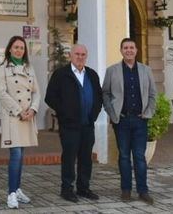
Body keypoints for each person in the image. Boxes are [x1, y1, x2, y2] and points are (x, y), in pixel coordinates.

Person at [45, 44, 102, 203]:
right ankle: (67, 189)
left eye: (83, 54)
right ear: (71, 55)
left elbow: (98, 97)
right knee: (69, 158)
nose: (80, 57)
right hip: (69, 126)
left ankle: (83, 188)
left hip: (87, 125)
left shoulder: (92, 74)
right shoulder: (61, 74)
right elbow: (50, 97)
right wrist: (64, 113)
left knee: (86, 158)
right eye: (77, 54)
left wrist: (94, 114)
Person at [102, 38, 157, 204]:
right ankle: (125, 190)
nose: (129, 50)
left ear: (136, 50)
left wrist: (148, 113)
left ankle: (143, 190)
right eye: (125, 48)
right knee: (124, 156)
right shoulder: (112, 70)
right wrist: (112, 114)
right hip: (122, 121)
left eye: (131, 47)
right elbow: (105, 93)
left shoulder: (146, 70)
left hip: (140, 121)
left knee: (140, 156)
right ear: (121, 51)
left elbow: (152, 94)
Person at [0, 36, 40, 209]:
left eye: (22, 48)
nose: (19, 50)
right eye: (16, 47)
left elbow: (37, 92)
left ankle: (18, 189)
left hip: (27, 117)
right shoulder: (3, 69)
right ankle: (11, 194)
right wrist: (19, 111)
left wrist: (33, 110)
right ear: (9, 49)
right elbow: (2, 94)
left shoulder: (29, 68)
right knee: (15, 155)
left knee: (21, 156)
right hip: (13, 117)